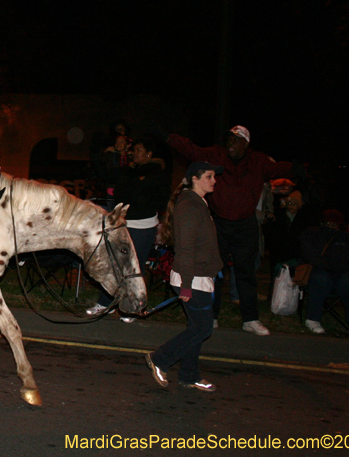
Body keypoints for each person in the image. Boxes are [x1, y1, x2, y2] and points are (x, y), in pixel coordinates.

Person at [160, 125, 296, 335]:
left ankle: (250, 319)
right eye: (229, 139)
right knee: (213, 271)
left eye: (236, 140)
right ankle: (211, 316)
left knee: (246, 274)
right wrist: (169, 137)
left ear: (246, 143)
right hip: (219, 224)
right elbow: (192, 151)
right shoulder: (217, 155)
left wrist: (298, 168)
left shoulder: (258, 161)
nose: (231, 143)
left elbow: (280, 169)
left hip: (245, 224)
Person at [146, 161, 223, 392]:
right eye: (209, 176)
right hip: (192, 278)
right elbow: (186, 248)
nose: (214, 180)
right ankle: (160, 359)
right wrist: (187, 286)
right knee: (202, 329)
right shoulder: (189, 206)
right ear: (195, 179)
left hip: (200, 276)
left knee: (197, 328)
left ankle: (189, 375)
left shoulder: (197, 203)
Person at [88, 137, 170, 318]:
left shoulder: (157, 174)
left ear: (149, 154)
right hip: (123, 225)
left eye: (139, 150)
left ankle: (133, 307)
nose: (134, 153)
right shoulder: (128, 171)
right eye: (134, 150)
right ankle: (105, 302)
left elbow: (161, 200)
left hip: (143, 227)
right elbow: (105, 174)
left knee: (135, 267)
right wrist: (97, 153)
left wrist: (137, 195)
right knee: (113, 263)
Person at [300, 210, 349, 337]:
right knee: (321, 279)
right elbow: (309, 254)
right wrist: (326, 265)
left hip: (340, 272)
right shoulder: (312, 234)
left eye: (334, 224)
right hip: (319, 270)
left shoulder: (345, 238)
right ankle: (313, 319)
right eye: (328, 223)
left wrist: (339, 267)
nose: (331, 226)